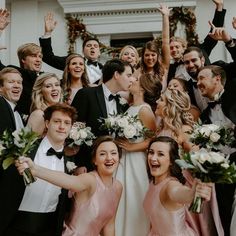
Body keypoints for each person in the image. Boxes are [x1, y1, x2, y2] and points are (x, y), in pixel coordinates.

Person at [16, 135, 123, 236]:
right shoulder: (90, 179)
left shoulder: (118, 187)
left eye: (113, 153)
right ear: (94, 160)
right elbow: (69, 181)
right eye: (102, 154)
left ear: (119, 157)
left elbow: (109, 224)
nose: (109, 158)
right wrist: (35, 170)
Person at [0, 103, 77, 236]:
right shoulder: (24, 151)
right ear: (47, 123)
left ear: (71, 127)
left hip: (48, 229)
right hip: (13, 226)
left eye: (66, 123)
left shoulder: (70, 162)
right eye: (57, 121)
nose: (61, 127)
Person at [115, 73, 161, 236]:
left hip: (136, 161)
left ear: (142, 87)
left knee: (134, 197)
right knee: (122, 199)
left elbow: (153, 139)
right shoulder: (130, 107)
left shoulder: (144, 110)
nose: (131, 80)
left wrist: (131, 147)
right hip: (124, 160)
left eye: (135, 79)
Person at [71, 58, 134, 171]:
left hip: (113, 166)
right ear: (116, 75)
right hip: (88, 165)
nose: (132, 79)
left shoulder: (122, 104)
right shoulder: (86, 94)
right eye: (128, 75)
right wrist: (79, 164)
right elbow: (74, 130)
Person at [143, 136, 212, 236]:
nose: (153, 158)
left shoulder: (170, 185)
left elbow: (180, 193)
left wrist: (193, 193)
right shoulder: (153, 183)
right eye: (151, 152)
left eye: (160, 154)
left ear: (171, 160)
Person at [168, 0, 226, 82]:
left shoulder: (200, 50)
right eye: (171, 48)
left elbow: (213, 34)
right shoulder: (171, 69)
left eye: (177, 47)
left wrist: (219, 6)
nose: (174, 50)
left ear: (184, 47)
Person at [39, 12, 102, 84]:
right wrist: (47, 33)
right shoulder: (73, 61)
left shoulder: (105, 69)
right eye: (89, 45)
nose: (92, 47)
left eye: (95, 46)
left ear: (99, 52)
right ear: (83, 51)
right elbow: (48, 57)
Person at [134, 4, 170, 91]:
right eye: (147, 55)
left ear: (157, 55)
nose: (150, 58)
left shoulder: (163, 68)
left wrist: (165, 16)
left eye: (153, 55)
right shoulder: (138, 72)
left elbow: (165, 41)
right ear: (142, 56)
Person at [0, 67, 24, 136]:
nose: (17, 86)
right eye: (11, 82)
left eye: (19, 82)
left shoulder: (18, 111)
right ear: (0, 87)